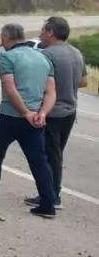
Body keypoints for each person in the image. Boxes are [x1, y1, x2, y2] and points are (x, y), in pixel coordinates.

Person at [0, 23, 60, 218]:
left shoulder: (8, 57)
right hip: (35, 118)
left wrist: (24, 112)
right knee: (39, 161)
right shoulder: (44, 58)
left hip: (10, 115)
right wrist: (42, 113)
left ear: (5, 38)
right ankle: (48, 203)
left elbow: (10, 89)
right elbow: (51, 92)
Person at [34, 16, 86, 210]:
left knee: (50, 156)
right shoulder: (76, 53)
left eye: (42, 30)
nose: (40, 33)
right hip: (70, 112)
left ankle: (53, 197)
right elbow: (84, 82)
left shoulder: (46, 55)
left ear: (51, 32)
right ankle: (48, 193)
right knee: (55, 154)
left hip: (52, 113)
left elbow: (38, 83)